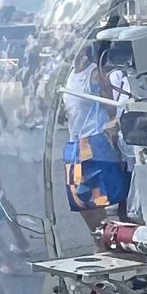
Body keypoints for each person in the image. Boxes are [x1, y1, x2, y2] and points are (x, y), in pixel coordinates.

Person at [60, 37, 128, 231]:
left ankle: (106, 238)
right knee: (79, 198)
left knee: (98, 197)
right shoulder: (71, 74)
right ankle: (98, 237)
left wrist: (110, 126)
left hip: (92, 140)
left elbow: (111, 108)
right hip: (75, 141)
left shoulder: (95, 74)